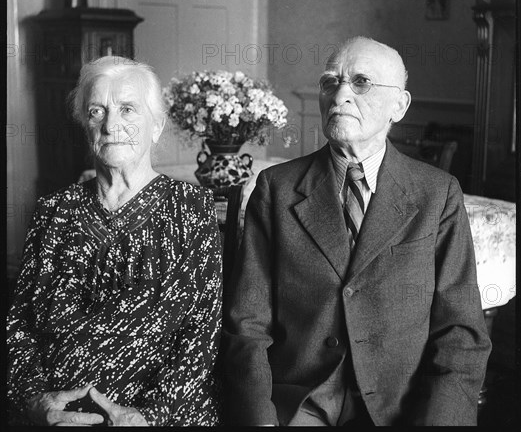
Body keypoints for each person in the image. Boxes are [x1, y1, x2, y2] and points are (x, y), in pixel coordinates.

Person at [222, 36, 491, 426]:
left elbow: (460, 332)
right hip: (300, 403)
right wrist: (261, 420)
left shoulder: (437, 193)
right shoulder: (276, 188)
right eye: (331, 82)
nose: (340, 95)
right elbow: (247, 324)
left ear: (399, 105)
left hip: (400, 408)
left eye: (361, 82)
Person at [7, 56, 223, 426]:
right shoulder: (53, 211)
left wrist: (148, 416)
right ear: (85, 125)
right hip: (57, 416)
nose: (111, 125)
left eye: (127, 109)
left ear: (156, 125)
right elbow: (20, 325)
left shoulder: (191, 208)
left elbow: (202, 331)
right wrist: (34, 401)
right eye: (96, 112)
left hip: (158, 417)